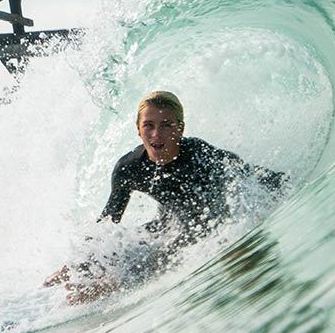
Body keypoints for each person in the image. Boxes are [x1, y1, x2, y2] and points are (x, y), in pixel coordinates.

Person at [45, 91, 287, 302]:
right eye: (148, 125)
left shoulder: (199, 154)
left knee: (149, 266)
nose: (156, 134)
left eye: (166, 125)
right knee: (124, 251)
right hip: (168, 225)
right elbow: (108, 223)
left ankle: (110, 286)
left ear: (180, 129)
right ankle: (82, 284)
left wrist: (282, 183)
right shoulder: (129, 168)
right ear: (138, 130)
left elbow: (245, 174)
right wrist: (82, 261)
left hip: (211, 226)